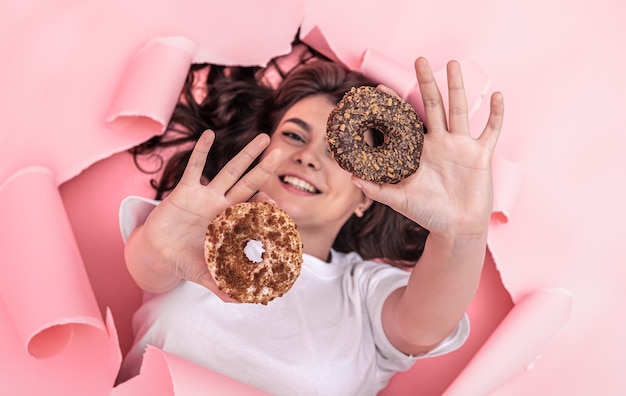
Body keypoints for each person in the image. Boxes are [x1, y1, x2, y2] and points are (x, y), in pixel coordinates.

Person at [117, 47, 504, 395]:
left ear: (365, 199)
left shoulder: (365, 294)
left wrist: (462, 232)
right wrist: (156, 246)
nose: (308, 157)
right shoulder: (195, 232)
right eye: (294, 135)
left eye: (339, 153)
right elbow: (148, 266)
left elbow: (423, 327)